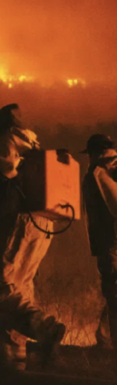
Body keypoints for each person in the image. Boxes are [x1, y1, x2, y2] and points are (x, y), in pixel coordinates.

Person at [0, 104, 66, 371]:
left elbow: (8, 197)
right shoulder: (31, 147)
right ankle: (11, 357)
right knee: (18, 286)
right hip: (43, 224)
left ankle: (45, 329)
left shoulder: (4, 144)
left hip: (23, 222)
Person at [81, 134, 117, 351]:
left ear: (93, 153)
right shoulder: (110, 169)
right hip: (110, 239)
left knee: (112, 289)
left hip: (109, 240)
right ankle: (104, 337)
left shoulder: (97, 173)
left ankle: (111, 343)